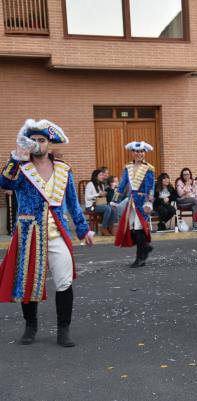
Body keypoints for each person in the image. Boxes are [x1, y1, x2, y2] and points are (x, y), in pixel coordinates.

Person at [0, 119, 94, 347]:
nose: (37, 144)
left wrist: (83, 229)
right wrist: (15, 158)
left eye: (41, 140)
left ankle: (64, 329)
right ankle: (30, 326)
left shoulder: (64, 169)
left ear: (49, 143)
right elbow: (4, 184)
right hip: (28, 233)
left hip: (57, 233)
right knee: (27, 283)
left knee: (64, 282)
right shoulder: (21, 168)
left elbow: (72, 202)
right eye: (33, 140)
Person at [112, 141, 155, 268]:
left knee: (138, 228)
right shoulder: (128, 167)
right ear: (132, 153)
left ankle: (140, 258)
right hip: (131, 201)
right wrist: (115, 200)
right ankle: (145, 248)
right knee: (131, 228)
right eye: (136, 151)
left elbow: (150, 187)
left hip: (142, 201)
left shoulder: (149, 169)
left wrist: (148, 202)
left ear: (144, 153)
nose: (139, 154)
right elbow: (122, 185)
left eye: (141, 151)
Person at [85, 169, 115, 236]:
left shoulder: (101, 185)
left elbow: (102, 197)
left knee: (112, 208)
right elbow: (87, 197)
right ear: (96, 176)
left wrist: (104, 194)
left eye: (102, 175)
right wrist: (99, 194)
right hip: (91, 206)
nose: (102, 176)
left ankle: (110, 227)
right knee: (107, 208)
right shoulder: (90, 184)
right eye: (100, 175)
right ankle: (104, 228)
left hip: (99, 204)